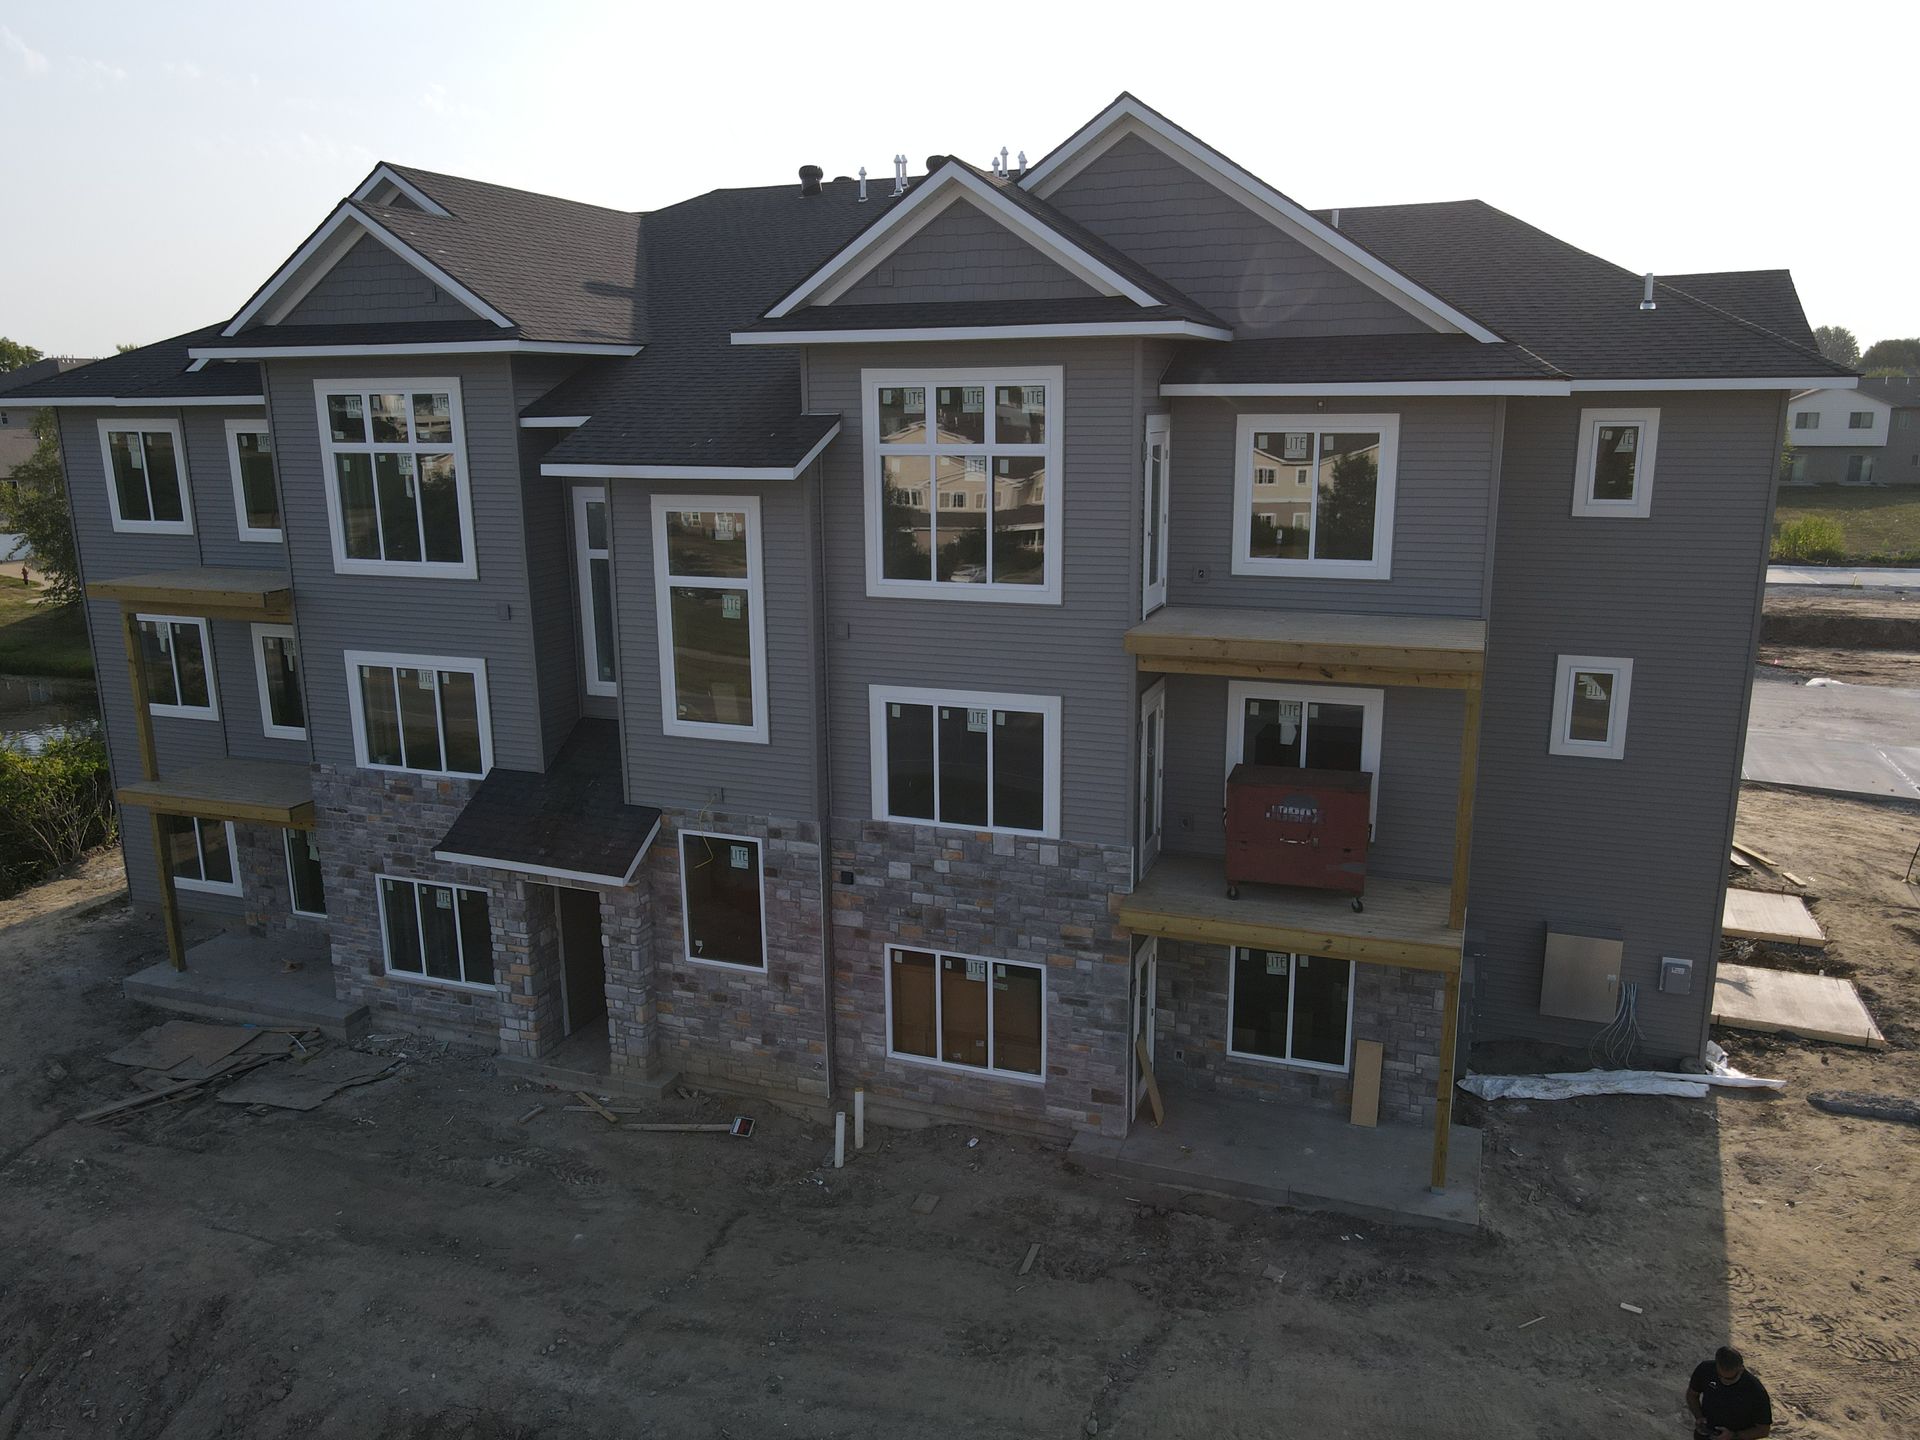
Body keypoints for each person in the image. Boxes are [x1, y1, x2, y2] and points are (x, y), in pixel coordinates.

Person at [1686, 1346, 1772, 1439]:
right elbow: (1692, 1395)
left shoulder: (1756, 1391)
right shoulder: (1705, 1369)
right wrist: (1699, 1417)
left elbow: (1763, 1430)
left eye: (1730, 1378)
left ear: (1741, 1369)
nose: (1724, 1381)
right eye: (1720, 1376)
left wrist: (1733, 1435)